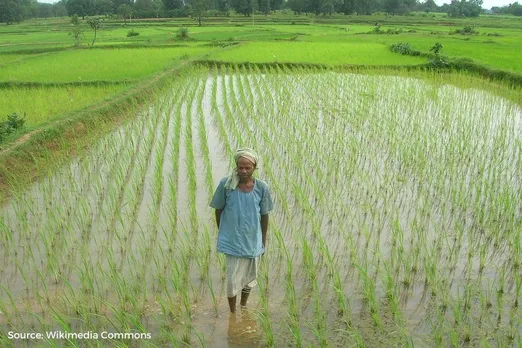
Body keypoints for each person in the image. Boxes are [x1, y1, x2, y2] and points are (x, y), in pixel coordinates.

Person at [210, 147, 274, 313]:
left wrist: (263, 240)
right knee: (232, 279)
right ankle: (233, 313)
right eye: (240, 167)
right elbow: (218, 209)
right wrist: (222, 231)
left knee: (249, 278)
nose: (243, 171)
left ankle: (243, 306)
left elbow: (265, 214)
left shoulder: (262, 187)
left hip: (253, 239)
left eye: (248, 167)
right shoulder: (227, 185)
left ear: (255, 168)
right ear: (236, 166)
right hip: (233, 240)